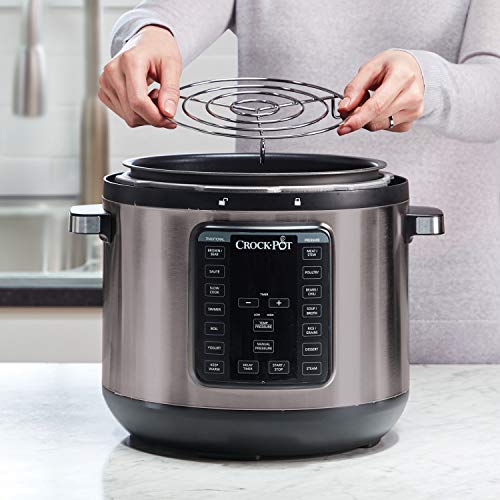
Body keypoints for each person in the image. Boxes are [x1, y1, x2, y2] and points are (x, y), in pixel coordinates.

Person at [99, 0, 500, 362]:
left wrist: (429, 82)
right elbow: (165, 15)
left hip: (451, 316)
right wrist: (148, 36)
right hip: (260, 287)